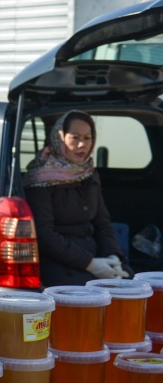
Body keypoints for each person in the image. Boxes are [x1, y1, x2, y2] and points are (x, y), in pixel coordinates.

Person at [23, 110, 132, 286]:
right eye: (75, 137)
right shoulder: (40, 179)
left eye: (87, 138)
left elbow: (102, 222)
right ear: (60, 138)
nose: (82, 144)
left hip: (96, 257)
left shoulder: (88, 172)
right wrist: (89, 264)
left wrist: (113, 256)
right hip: (60, 263)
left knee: (129, 282)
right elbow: (44, 234)